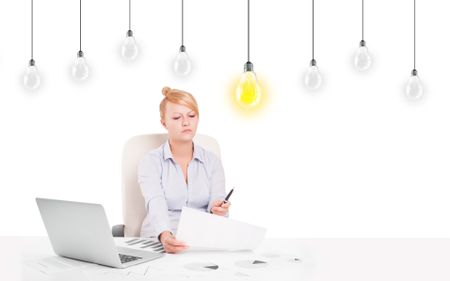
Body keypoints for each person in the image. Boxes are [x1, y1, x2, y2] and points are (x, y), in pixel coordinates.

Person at [138, 87, 230, 254]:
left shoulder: (212, 161)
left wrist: (218, 208)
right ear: (163, 122)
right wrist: (165, 236)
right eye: (176, 117)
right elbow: (155, 202)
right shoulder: (151, 161)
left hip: (201, 238)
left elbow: (217, 199)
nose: (186, 122)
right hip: (159, 239)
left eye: (191, 116)